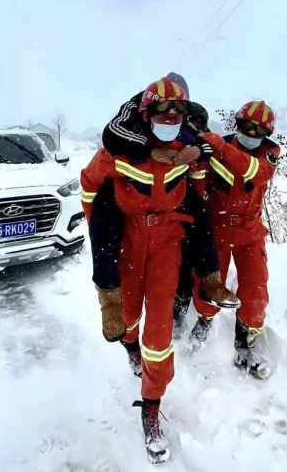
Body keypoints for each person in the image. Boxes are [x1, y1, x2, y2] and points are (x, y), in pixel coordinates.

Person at [80, 76, 208, 463]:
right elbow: (89, 190)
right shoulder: (118, 149)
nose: (170, 120)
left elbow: (198, 180)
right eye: (162, 113)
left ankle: (152, 405)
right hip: (127, 245)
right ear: (146, 113)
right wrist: (105, 237)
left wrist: (191, 228)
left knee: (160, 331)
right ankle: (129, 347)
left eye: (177, 113)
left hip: (166, 244)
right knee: (129, 317)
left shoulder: (185, 144)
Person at [93, 73, 239, 344]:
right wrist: (150, 150)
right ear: (150, 108)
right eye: (165, 107)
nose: (173, 113)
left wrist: (196, 152)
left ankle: (184, 310)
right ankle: (112, 303)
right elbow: (111, 135)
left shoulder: (193, 113)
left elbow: (204, 139)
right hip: (135, 195)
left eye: (179, 105)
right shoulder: (134, 109)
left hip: (175, 189)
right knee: (106, 232)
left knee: (192, 237)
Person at [188, 100, 281, 380]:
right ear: (236, 125)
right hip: (216, 229)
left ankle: (244, 346)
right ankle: (203, 321)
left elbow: (256, 172)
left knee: (255, 292)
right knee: (208, 284)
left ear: (267, 133)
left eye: (258, 130)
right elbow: (198, 183)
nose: (251, 134)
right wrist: (198, 168)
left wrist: (220, 148)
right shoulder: (218, 146)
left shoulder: (269, 154)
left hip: (250, 232)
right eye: (246, 127)